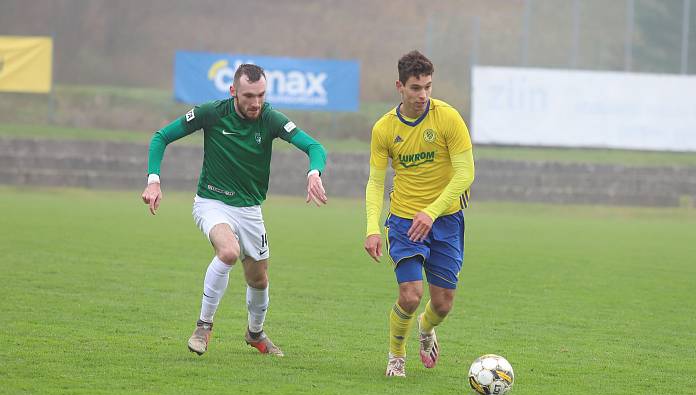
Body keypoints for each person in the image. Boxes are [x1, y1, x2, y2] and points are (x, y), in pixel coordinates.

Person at [141, 63, 328, 357]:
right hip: (212, 202)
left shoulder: (270, 118)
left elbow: (314, 146)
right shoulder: (212, 113)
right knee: (228, 252)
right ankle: (203, 327)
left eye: (261, 95)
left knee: (258, 278)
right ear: (233, 92)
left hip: (250, 209)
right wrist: (153, 180)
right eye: (249, 96)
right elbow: (161, 137)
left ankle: (255, 333)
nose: (256, 103)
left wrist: (314, 172)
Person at [364, 51, 475, 377]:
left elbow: (465, 173)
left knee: (442, 304)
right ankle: (396, 356)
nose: (422, 95)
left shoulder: (448, 118)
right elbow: (375, 182)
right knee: (410, 295)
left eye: (427, 86)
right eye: (415, 88)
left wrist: (432, 210)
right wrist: (372, 227)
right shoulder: (384, 129)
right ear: (400, 86)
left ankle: (426, 329)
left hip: (446, 220)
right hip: (403, 222)